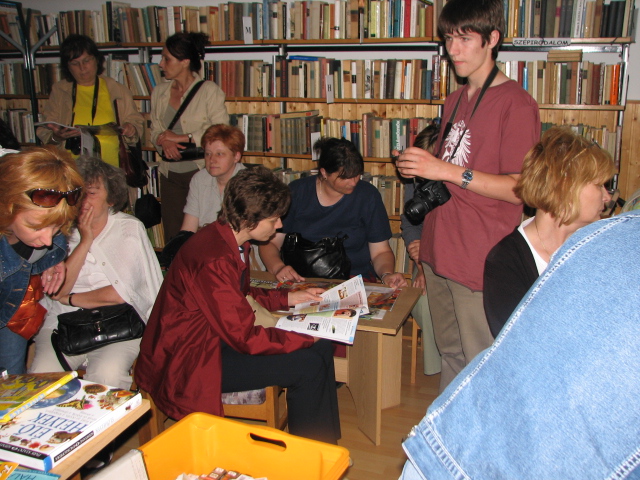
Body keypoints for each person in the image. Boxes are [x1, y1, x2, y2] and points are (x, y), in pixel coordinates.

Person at [399, 212, 640, 479]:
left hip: (469, 259)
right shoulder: (512, 255)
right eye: (603, 189)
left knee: (482, 365)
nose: (607, 198)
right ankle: (447, 436)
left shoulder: (604, 244)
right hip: (443, 256)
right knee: (455, 357)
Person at [135, 166, 341, 444]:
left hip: (212, 338)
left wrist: (288, 298)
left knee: (322, 346)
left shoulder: (226, 239)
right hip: (191, 358)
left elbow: (237, 296)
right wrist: (305, 335)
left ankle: (324, 447)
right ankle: (310, 454)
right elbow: (245, 337)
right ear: (249, 219)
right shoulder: (214, 258)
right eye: (274, 219)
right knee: (307, 364)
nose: (279, 225)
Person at [395, 0, 540, 392]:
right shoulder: (454, 99)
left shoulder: (517, 104)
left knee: (481, 363)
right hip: (441, 247)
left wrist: (442, 170)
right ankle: (451, 429)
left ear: (492, 39)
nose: (452, 49)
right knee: (450, 354)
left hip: (479, 255)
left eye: (464, 39)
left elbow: (519, 187)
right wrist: (421, 167)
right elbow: (452, 171)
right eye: (448, 38)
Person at [30, 156, 163, 389]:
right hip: (64, 322)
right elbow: (57, 289)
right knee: (42, 378)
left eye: (91, 193)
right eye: (78, 193)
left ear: (111, 198)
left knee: (107, 377)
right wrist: (85, 240)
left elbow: (120, 294)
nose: (83, 200)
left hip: (119, 323)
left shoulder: (128, 228)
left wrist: (71, 298)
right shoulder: (59, 228)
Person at [484, 126, 615, 338]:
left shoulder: (600, 247)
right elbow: (517, 343)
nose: (607, 197)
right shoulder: (505, 262)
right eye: (599, 185)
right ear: (565, 187)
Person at [259, 137, 407, 288]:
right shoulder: (297, 192)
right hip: (301, 278)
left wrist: (386, 275)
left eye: (357, 174)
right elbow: (270, 243)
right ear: (324, 172)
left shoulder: (367, 195)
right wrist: (278, 268)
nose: (353, 182)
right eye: (345, 177)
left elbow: (380, 252)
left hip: (352, 279)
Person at [0, 146, 83, 374]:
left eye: (56, 226)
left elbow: (53, 236)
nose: (47, 240)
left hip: (14, 313)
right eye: (36, 227)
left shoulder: (44, 220)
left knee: (13, 382)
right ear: (6, 207)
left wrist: (53, 259)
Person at [151, 32, 230, 241]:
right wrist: (164, 143)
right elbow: (154, 130)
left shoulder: (209, 91)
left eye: (167, 59)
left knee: (205, 234)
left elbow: (221, 130)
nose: (161, 64)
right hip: (169, 174)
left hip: (201, 171)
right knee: (174, 236)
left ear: (185, 61)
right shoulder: (159, 92)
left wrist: (181, 138)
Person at [36, 34, 143, 168]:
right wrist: (57, 137)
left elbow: (136, 125)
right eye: (75, 63)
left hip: (112, 169)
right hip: (72, 169)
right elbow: (45, 134)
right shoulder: (60, 91)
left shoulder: (117, 89)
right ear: (67, 66)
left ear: (96, 59)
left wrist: (131, 130)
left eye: (86, 60)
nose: (82, 67)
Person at [400, 122, 442, 377]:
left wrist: (428, 256)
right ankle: (437, 370)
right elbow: (410, 223)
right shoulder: (414, 181)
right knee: (423, 299)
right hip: (425, 258)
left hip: (452, 257)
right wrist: (420, 263)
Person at [181, 124, 246, 232]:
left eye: (219, 154)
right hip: (206, 239)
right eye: (208, 154)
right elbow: (188, 228)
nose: (211, 160)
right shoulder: (199, 179)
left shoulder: (248, 183)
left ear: (236, 156)